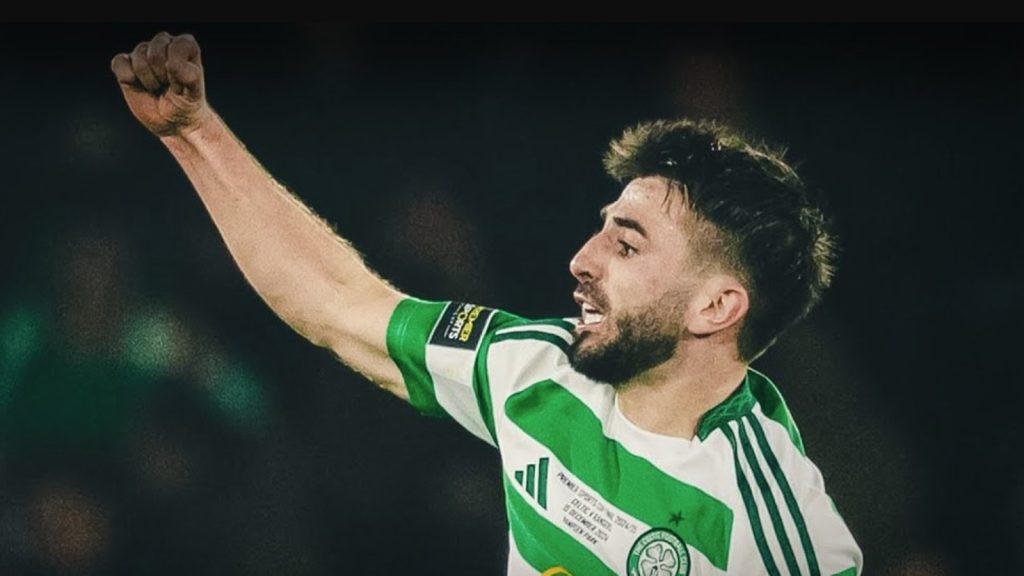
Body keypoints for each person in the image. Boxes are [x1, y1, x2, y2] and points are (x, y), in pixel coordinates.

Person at [111, 31, 863, 576]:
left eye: (627, 246)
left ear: (716, 307)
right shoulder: (534, 367)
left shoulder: (774, 529)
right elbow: (338, 302)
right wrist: (194, 133)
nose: (582, 259)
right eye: (602, 229)